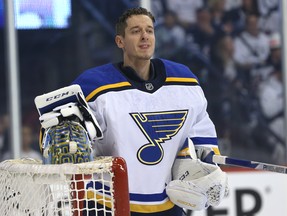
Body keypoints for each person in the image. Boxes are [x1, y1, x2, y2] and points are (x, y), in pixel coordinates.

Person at [37, 7, 228, 216]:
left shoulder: (184, 81)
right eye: (136, 31)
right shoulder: (93, 85)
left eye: (149, 30)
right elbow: (55, 130)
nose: (145, 36)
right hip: (107, 203)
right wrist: (64, 141)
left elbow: (201, 125)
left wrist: (207, 158)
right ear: (120, 41)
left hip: (166, 202)